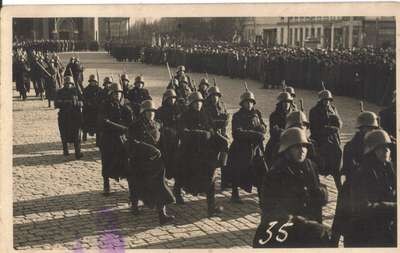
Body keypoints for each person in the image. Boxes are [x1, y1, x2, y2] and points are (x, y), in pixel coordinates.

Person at [254, 128, 330, 248]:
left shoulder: (310, 166)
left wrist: (321, 193)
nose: (302, 151)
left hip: (310, 226)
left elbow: (316, 189)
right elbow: (269, 207)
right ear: (287, 150)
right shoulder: (276, 172)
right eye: (297, 147)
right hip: (286, 229)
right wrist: (302, 223)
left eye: (304, 146)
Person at [330, 110, 380, 246]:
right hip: (351, 189)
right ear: (361, 129)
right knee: (343, 223)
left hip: (370, 189)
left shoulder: (377, 144)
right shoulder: (351, 146)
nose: (370, 131)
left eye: (373, 128)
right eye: (367, 128)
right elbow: (349, 169)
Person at [126, 100, 176, 225]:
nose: (151, 114)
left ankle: (162, 215)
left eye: (153, 111)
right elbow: (132, 143)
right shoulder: (135, 126)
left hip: (156, 162)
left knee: (160, 186)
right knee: (136, 185)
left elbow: (162, 141)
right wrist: (149, 149)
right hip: (140, 162)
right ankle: (134, 205)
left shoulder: (157, 125)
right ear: (143, 112)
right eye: (148, 112)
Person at [346, 129, 396, 247]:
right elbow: (362, 209)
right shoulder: (362, 173)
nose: (386, 151)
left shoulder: (389, 169)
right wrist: (393, 207)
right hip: (367, 232)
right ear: (372, 151)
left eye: (388, 147)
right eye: (381, 148)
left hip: (386, 225)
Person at [177, 91, 224, 216]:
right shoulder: (184, 116)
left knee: (211, 177)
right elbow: (183, 132)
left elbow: (211, 128)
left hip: (205, 152)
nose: (198, 104)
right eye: (195, 102)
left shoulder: (205, 114)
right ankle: (177, 193)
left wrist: (220, 125)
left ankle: (211, 207)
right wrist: (200, 134)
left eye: (200, 102)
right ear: (191, 104)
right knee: (183, 176)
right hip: (190, 152)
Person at [225, 87, 268, 204]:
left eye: (251, 102)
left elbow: (264, 126)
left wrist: (262, 128)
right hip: (241, 148)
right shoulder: (237, 116)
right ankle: (235, 194)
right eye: (246, 102)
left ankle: (261, 196)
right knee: (237, 171)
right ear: (242, 103)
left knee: (262, 171)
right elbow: (237, 132)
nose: (249, 104)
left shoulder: (257, 113)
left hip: (256, 148)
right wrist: (255, 134)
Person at [98, 82, 134, 196]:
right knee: (107, 162)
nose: (117, 95)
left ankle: (131, 186)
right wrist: (120, 127)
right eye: (115, 93)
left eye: (119, 93)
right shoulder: (105, 105)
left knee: (125, 162)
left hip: (122, 139)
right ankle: (106, 184)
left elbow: (131, 122)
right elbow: (103, 121)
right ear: (111, 94)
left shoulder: (125, 107)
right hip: (109, 138)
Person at [309, 89, 343, 190]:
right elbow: (314, 129)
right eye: (325, 100)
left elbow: (340, 123)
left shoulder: (333, 108)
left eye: (328, 100)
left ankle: (338, 182)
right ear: (320, 100)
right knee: (321, 160)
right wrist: (330, 129)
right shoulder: (314, 111)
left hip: (334, 139)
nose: (327, 102)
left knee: (338, 154)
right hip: (320, 139)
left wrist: (337, 122)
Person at [156, 89, 182, 202]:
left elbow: (182, 123)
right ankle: (163, 191)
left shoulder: (179, 110)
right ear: (165, 99)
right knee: (163, 167)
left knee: (178, 167)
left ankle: (177, 191)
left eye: (173, 98)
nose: (172, 100)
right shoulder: (160, 111)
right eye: (170, 98)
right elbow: (157, 125)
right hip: (164, 143)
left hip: (176, 142)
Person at [202, 84, 230, 189]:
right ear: (209, 97)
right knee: (211, 160)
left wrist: (224, 121)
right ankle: (208, 182)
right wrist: (220, 122)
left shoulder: (221, 107)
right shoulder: (206, 108)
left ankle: (225, 181)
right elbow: (209, 123)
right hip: (211, 135)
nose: (215, 98)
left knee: (226, 156)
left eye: (217, 95)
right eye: (213, 96)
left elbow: (225, 121)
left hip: (221, 134)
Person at [54, 76, 84, 159]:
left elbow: (82, 101)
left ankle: (78, 152)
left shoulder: (77, 91)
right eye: (67, 84)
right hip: (64, 116)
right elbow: (56, 103)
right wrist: (66, 102)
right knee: (64, 134)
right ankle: (65, 149)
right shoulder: (60, 91)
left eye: (70, 83)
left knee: (77, 135)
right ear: (64, 84)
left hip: (75, 116)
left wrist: (76, 103)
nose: (68, 85)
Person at [264, 92, 296, 167]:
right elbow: (273, 131)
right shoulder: (274, 115)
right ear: (280, 103)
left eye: (288, 102)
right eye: (284, 102)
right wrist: (286, 132)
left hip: (293, 139)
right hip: (279, 140)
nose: (286, 104)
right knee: (272, 151)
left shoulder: (294, 114)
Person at [82, 74, 102, 143]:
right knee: (85, 118)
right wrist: (88, 103)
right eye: (91, 81)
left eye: (94, 81)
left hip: (97, 109)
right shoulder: (86, 89)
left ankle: (98, 139)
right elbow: (83, 98)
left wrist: (98, 104)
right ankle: (84, 134)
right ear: (89, 82)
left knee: (99, 122)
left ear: (96, 82)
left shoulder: (99, 89)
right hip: (88, 109)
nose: (92, 82)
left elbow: (102, 99)